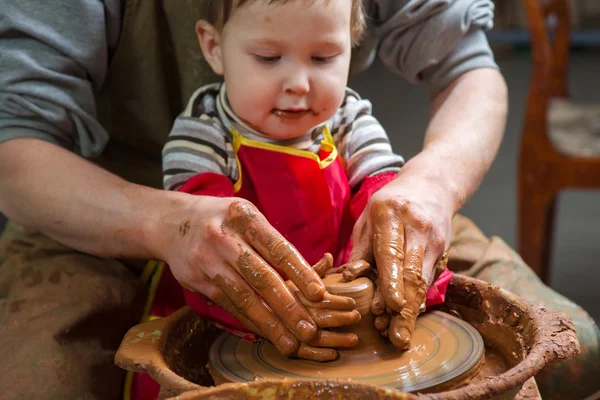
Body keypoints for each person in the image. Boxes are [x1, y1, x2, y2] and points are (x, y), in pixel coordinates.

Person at [0, 1, 597, 399]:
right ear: (211, 45)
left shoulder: (346, 119)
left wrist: (429, 190)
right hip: (105, 207)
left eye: (323, 58)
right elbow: (15, 143)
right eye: (267, 57)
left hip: (351, 235)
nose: (298, 83)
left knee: (574, 352)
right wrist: (171, 224)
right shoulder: (201, 133)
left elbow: (469, 67)